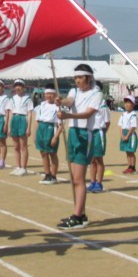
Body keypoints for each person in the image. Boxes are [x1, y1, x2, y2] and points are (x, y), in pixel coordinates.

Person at [55, 64, 102, 229]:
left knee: (79, 179)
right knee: (74, 178)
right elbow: (69, 101)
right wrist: (61, 101)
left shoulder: (96, 93)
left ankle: (77, 216)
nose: (77, 80)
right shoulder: (74, 91)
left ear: (88, 78)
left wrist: (68, 115)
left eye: (80, 77)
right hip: (73, 134)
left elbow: (88, 113)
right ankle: (80, 214)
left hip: (84, 134)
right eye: (76, 77)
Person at [34, 84, 62, 185]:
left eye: (51, 94)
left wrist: (55, 137)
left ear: (55, 94)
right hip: (41, 129)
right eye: (47, 94)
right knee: (43, 153)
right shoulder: (41, 105)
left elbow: (60, 125)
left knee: (52, 153)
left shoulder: (58, 107)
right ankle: (47, 174)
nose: (49, 96)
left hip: (51, 129)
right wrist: (35, 135)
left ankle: (53, 176)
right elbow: (37, 121)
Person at [87, 81, 110, 192]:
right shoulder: (89, 104)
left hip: (99, 132)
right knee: (91, 159)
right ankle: (92, 181)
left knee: (98, 158)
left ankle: (99, 183)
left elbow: (107, 122)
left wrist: (103, 133)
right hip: (90, 132)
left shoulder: (103, 105)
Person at [7, 79, 33, 176]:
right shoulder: (12, 99)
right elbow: (10, 113)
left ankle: (24, 168)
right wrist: (9, 127)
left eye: (20, 86)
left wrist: (28, 127)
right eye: (16, 86)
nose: (18, 88)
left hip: (22, 119)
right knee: (16, 146)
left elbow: (29, 114)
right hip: (14, 119)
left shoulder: (28, 99)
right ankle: (18, 167)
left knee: (23, 146)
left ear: (24, 87)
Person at [118, 95, 138, 174]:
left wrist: (127, 136)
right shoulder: (123, 114)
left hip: (131, 135)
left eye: (129, 103)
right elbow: (120, 125)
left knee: (131, 151)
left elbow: (133, 127)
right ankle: (129, 166)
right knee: (127, 151)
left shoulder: (133, 115)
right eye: (126, 102)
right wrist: (121, 135)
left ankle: (133, 167)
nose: (126, 104)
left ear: (133, 104)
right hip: (124, 133)